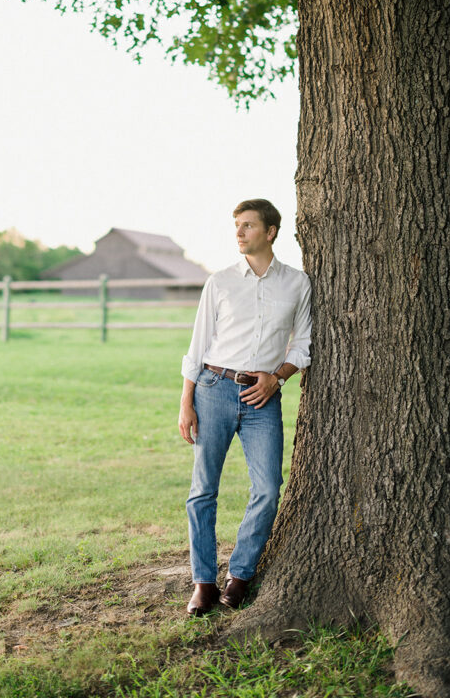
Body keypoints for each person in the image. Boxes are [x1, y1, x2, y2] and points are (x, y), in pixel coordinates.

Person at [178, 198, 312, 615]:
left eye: (248, 225)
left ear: (270, 232)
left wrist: (278, 376)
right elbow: (197, 346)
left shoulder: (297, 283)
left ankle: (239, 575)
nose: (239, 232)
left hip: (263, 396)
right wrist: (187, 402)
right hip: (213, 387)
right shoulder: (219, 282)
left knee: (269, 489)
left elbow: (304, 343)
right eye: (237, 225)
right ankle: (202, 582)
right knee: (203, 491)